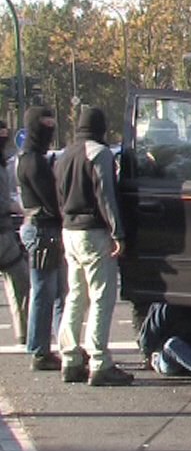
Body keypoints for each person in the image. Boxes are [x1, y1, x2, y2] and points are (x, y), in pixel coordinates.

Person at [54, 106, 133, 386]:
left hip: (69, 231)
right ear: (100, 128)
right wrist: (117, 232)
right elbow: (106, 196)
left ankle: (70, 358)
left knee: (76, 295)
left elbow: (59, 196)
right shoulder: (99, 154)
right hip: (94, 232)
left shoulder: (64, 155)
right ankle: (99, 361)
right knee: (102, 296)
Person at [17, 106, 68, 371]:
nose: (50, 128)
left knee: (57, 292)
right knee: (45, 292)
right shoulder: (33, 162)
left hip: (42, 229)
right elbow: (50, 199)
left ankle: (61, 345)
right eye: (45, 124)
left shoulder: (30, 158)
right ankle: (39, 350)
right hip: (42, 230)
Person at [0, 120, 30, 346]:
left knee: (19, 282)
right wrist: (12, 207)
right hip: (3, 233)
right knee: (19, 282)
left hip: (5, 233)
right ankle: (24, 332)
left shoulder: (4, 164)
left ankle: (24, 333)